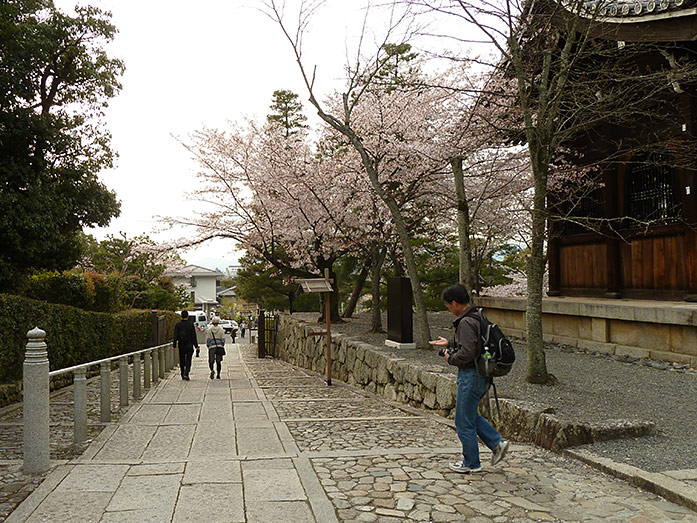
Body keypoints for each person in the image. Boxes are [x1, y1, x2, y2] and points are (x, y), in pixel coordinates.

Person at [429, 284, 510, 474]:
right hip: (483, 375)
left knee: (463, 421)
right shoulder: (477, 315)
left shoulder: (465, 322)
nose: (449, 309)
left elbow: (467, 353)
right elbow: (477, 343)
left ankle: (471, 462)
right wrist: (450, 343)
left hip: (471, 375)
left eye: (449, 305)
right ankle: (497, 443)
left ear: (455, 303)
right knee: (469, 414)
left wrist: (450, 358)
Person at [173, 311, 199, 380]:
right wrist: (196, 346)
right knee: (188, 359)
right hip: (189, 345)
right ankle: (186, 373)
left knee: (182, 359)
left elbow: (175, 335)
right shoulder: (190, 325)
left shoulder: (178, 325)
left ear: (181, 316)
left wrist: (174, 345)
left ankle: (182, 373)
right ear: (187, 316)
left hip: (181, 345)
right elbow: (194, 336)